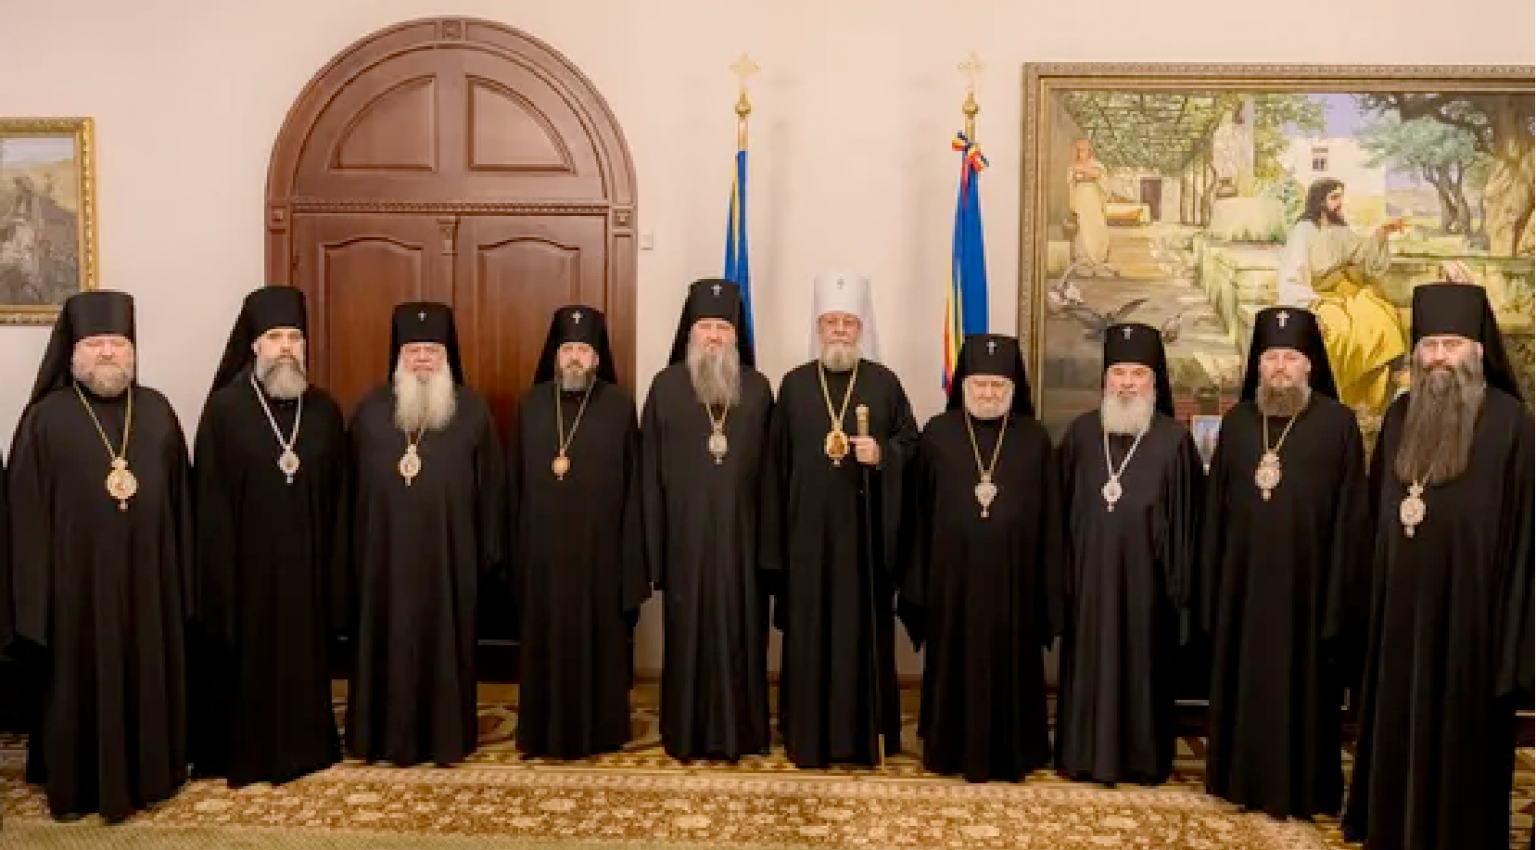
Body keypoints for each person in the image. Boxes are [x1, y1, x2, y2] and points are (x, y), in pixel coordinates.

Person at [1343, 283, 1536, 850]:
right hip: (1399, 623)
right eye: (1428, 345)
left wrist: (1513, 646)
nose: (1438, 358)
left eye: (1451, 345)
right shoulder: (1400, 415)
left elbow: (1526, 541)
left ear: (1477, 351)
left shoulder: (1513, 426)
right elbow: (1376, 521)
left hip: (1472, 630)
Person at [8, 290, 192, 821]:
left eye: (117, 342)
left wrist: (182, 585)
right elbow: (23, 515)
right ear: (73, 352)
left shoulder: (157, 411)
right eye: (95, 343)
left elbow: (182, 502)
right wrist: (34, 602)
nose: (108, 352)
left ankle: (152, 774)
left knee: (146, 669)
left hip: (148, 582)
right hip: (76, 591)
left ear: (132, 350)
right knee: (78, 682)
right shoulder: (45, 419)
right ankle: (80, 785)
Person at [1199, 307, 1368, 818]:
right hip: (1243, 591)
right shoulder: (1237, 423)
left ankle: (1303, 789)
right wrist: (1212, 593)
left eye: (1290, 357)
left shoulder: (1339, 425)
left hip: (1308, 595)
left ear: (1309, 364)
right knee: (1244, 686)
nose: (1280, 368)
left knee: (1305, 691)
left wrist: (1339, 604)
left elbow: (1352, 521)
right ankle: (1238, 780)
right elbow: (1214, 515)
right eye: (1271, 357)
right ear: (1258, 364)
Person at [188, 285, 345, 786]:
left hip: (307, 569)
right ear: (254, 344)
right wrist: (220, 584)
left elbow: (340, 499)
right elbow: (208, 503)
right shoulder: (224, 412)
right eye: (275, 337)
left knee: (304, 655)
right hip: (246, 573)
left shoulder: (323, 411)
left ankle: (308, 747)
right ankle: (247, 752)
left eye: (294, 337)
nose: (285, 348)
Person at [762, 271, 919, 768]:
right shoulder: (794, 385)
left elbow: (914, 448)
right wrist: (777, 551)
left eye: (847, 322)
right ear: (818, 327)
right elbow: (774, 468)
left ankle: (861, 736)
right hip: (806, 541)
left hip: (863, 541)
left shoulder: (883, 383)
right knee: (809, 636)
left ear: (860, 328)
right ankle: (808, 736)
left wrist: (884, 454)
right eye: (830, 321)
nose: (839, 331)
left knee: (859, 635)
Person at [341, 302, 505, 767]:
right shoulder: (370, 413)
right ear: (398, 355)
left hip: (450, 561)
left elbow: (492, 490)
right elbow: (350, 492)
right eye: (413, 349)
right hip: (383, 563)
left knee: (445, 644)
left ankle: (446, 737)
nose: (422, 359)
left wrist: (489, 556)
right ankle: (379, 736)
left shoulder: (471, 412)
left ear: (447, 355)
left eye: (432, 349)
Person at [900, 334, 1063, 782]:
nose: (988, 393)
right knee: (953, 662)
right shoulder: (937, 434)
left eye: (997, 385)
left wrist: (1049, 588)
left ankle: (1016, 750)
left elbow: (1051, 520)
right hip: (951, 584)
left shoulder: (1035, 439)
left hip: (1016, 583)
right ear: (964, 386)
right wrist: (918, 583)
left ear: (1012, 388)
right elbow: (918, 512)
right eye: (980, 384)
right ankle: (948, 749)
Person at [1054, 322, 1202, 785]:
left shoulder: (1174, 441)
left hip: (1147, 588)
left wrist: (1177, 594)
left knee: (1142, 668)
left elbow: (1186, 527)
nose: (1126, 383)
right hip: (1088, 583)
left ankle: (1141, 759)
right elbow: (1059, 515)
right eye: (1118, 373)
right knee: (1088, 664)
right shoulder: (1081, 435)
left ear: (1154, 383)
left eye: (1138, 374)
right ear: (1105, 380)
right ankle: (1081, 755)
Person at [640, 279, 774, 761]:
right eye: (705, 326)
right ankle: (685, 732)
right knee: (687, 636)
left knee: (742, 633)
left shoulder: (758, 389)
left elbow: (773, 476)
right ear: (690, 333)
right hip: (685, 542)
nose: (714, 336)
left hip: (744, 542)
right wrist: (654, 552)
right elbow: (648, 474)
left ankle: (744, 732)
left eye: (723, 327)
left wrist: (770, 552)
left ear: (736, 335)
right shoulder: (665, 387)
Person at [509, 305, 647, 758]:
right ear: (555, 354)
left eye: (583, 350)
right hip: (542, 559)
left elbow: (634, 489)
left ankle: (601, 731)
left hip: (599, 561)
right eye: (567, 348)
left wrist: (631, 565)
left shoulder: (619, 407)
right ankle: (541, 732)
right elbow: (514, 486)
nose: (574, 358)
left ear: (597, 358)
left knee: (599, 645)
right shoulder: (531, 405)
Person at [1277, 178, 1408, 414]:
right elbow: (1292, 276)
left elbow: (1362, 255)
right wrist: (1311, 303)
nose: (1339, 203)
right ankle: (1339, 398)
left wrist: (1381, 233)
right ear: (1320, 201)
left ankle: (1371, 399)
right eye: (1334, 197)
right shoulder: (1303, 231)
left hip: (1346, 291)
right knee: (1337, 330)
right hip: (1315, 295)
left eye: (1340, 197)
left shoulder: (1341, 229)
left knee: (1379, 317)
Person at [1067, 139, 1117, 277]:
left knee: (1097, 226)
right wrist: (1080, 176)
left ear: (1089, 151)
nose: (1081, 153)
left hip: (1093, 198)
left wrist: (1090, 175)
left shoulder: (1097, 165)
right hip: (1081, 198)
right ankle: (1085, 260)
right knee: (1083, 227)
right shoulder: (1073, 166)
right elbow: (1072, 180)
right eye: (1079, 151)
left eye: (1084, 150)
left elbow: (1101, 179)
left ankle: (1098, 258)